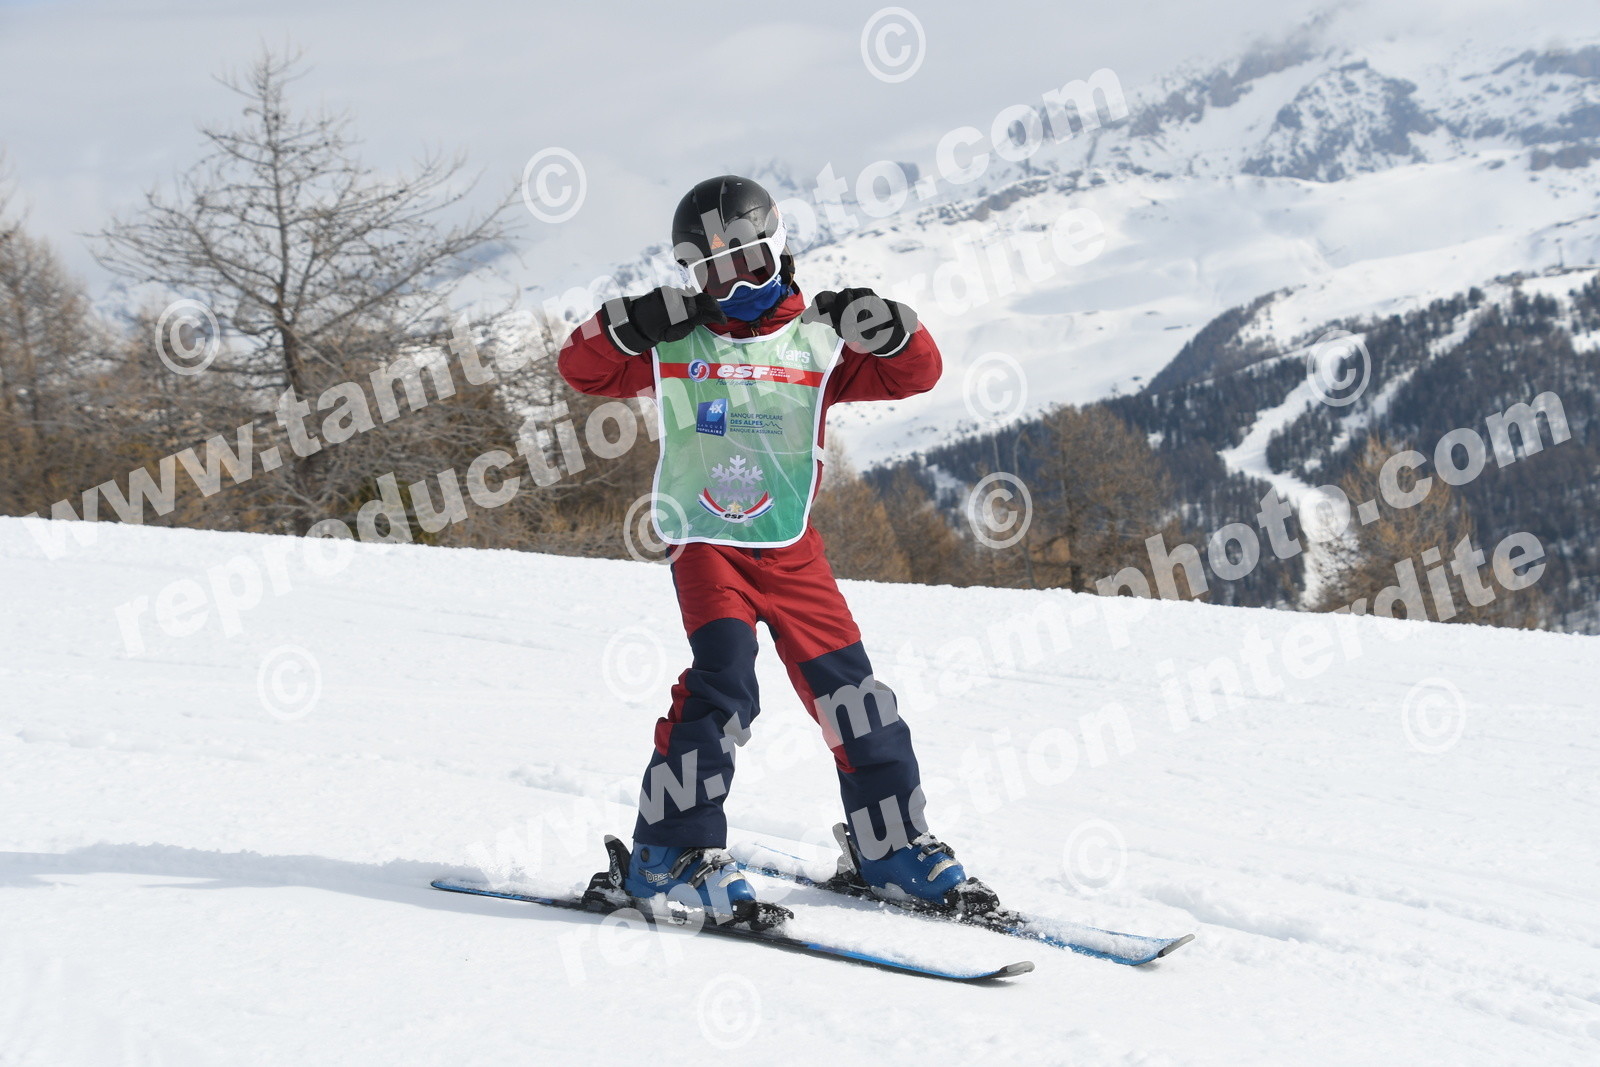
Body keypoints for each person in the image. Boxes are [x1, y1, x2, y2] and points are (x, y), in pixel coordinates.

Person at [558, 175, 995, 926]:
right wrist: (629, 324)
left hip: (790, 545)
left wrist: (891, 328)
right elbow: (582, 368)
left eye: (748, 263)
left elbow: (915, 373)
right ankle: (668, 853)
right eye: (711, 274)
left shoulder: (818, 339)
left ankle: (888, 847)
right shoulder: (676, 337)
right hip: (707, 539)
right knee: (723, 684)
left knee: (853, 695)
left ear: (779, 249)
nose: (733, 287)